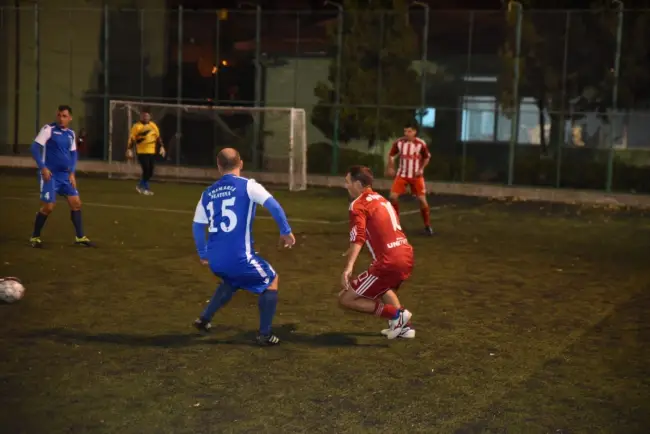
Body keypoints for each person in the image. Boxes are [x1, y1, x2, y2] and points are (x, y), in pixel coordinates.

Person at [192, 148, 296, 346]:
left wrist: (202, 253)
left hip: (215, 259)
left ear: (218, 166)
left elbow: (197, 225)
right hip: (238, 257)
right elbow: (273, 205)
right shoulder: (249, 186)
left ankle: (204, 319)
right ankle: (264, 335)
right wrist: (285, 231)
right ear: (241, 164)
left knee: (232, 281)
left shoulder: (207, 193)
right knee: (271, 280)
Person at [340, 165, 415, 339]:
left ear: (358, 184)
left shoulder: (358, 204)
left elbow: (358, 236)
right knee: (384, 288)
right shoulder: (381, 199)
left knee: (345, 299)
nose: (346, 186)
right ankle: (404, 328)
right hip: (406, 254)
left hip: (389, 261)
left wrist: (348, 267)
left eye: (347, 182)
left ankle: (398, 315)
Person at [29, 105, 94, 248]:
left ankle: (80, 237)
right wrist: (43, 168)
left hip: (65, 176)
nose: (61, 118)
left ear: (70, 118)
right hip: (50, 175)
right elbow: (34, 147)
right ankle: (35, 237)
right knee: (48, 207)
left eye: (64, 116)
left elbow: (74, 154)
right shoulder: (48, 129)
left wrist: (72, 173)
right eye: (59, 115)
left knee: (76, 203)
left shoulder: (71, 134)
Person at [385, 124, 433, 235]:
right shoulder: (399, 142)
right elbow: (391, 155)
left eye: (409, 131)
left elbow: (427, 157)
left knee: (422, 200)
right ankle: (396, 225)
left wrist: (421, 169)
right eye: (405, 131)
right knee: (393, 197)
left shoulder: (420, 144)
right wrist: (391, 167)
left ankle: (427, 225)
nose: (407, 134)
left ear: (415, 132)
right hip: (402, 175)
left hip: (416, 176)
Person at [126, 109, 166, 195]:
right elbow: (132, 139)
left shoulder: (153, 126)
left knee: (150, 171)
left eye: (147, 116)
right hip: (141, 152)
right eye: (144, 116)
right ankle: (145, 188)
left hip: (151, 151)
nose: (145, 117)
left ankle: (140, 185)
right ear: (141, 116)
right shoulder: (136, 126)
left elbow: (158, 137)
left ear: (150, 117)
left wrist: (162, 147)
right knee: (146, 169)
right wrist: (129, 149)